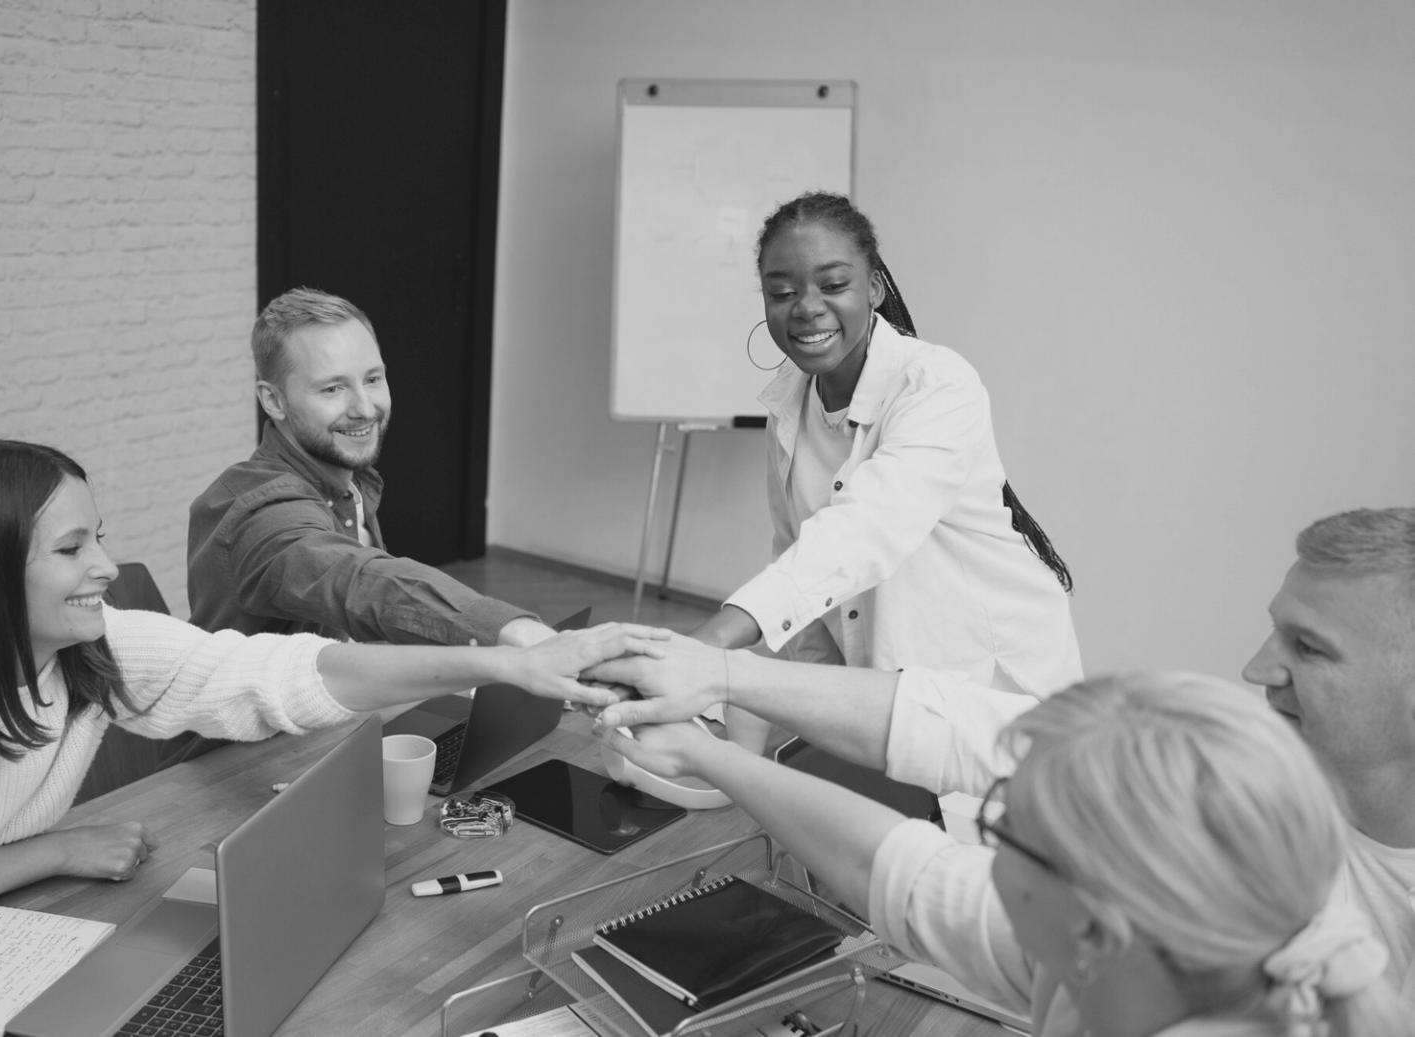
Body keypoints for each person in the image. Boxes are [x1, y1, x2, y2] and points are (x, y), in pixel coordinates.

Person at [0, 439, 664, 955]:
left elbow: (288, 674)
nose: (105, 567)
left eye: (98, 536)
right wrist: (51, 852)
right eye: (72, 548)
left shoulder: (91, 650)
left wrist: (503, 665)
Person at [592, 506, 1415, 1006]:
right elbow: (933, 822)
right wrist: (720, 699)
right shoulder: (1250, 793)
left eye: (1308, 647)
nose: (1256, 667)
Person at [601, 673, 1403, 1036]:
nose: (979, 844)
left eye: (1001, 826)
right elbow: (896, 867)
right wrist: (709, 754)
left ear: (1091, 924)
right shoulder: (1130, 956)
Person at [688, 193, 1079, 747]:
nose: (807, 307)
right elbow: (798, 559)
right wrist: (815, 713)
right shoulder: (789, 403)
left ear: (874, 288)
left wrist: (710, 641)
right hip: (894, 698)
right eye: (782, 292)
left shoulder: (937, 385)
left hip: (989, 686)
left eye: (833, 284)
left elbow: (865, 529)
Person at [188, 287, 554, 648]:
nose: (364, 408)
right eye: (332, 389)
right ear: (274, 400)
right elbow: (358, 581)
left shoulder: (350, 482)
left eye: (373, 379)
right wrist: (514, 632)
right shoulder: (259, 513)